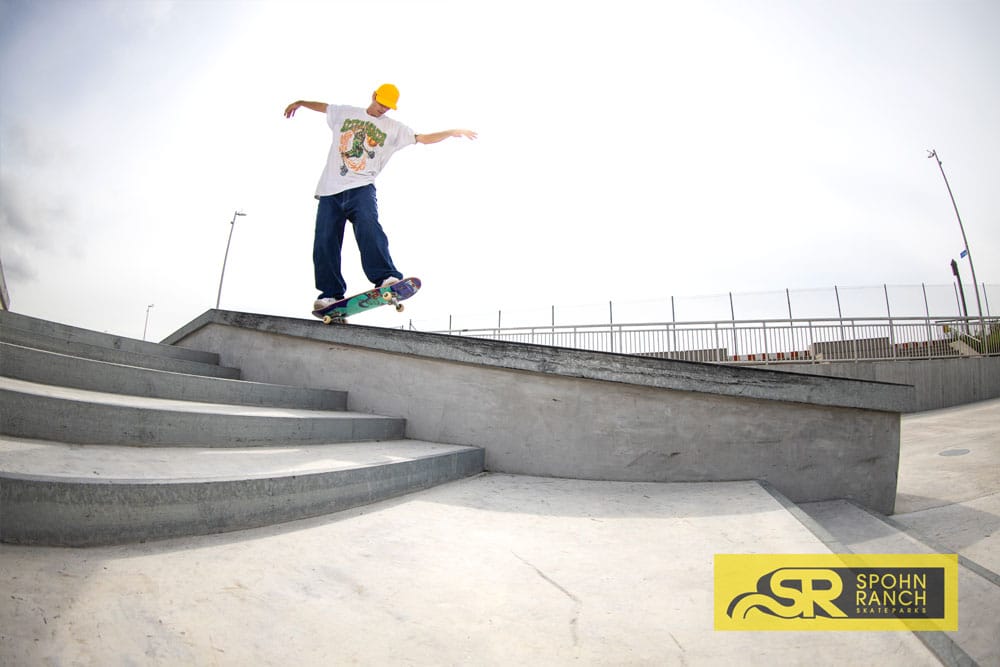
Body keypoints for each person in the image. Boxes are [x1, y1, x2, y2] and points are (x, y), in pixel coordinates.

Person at [284, 84, 477, 315]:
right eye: (380, 103)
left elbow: (422, 138)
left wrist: (451, 131)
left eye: (387, 106)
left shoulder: (393, 128)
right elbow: (324, 107)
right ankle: (330, 293)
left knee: (368, 225)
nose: (382, 109)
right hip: (329, 190)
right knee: (325, 241)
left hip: (361, 188)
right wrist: (301, 102)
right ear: (373, 96)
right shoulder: (346, 112)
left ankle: (385, 276)